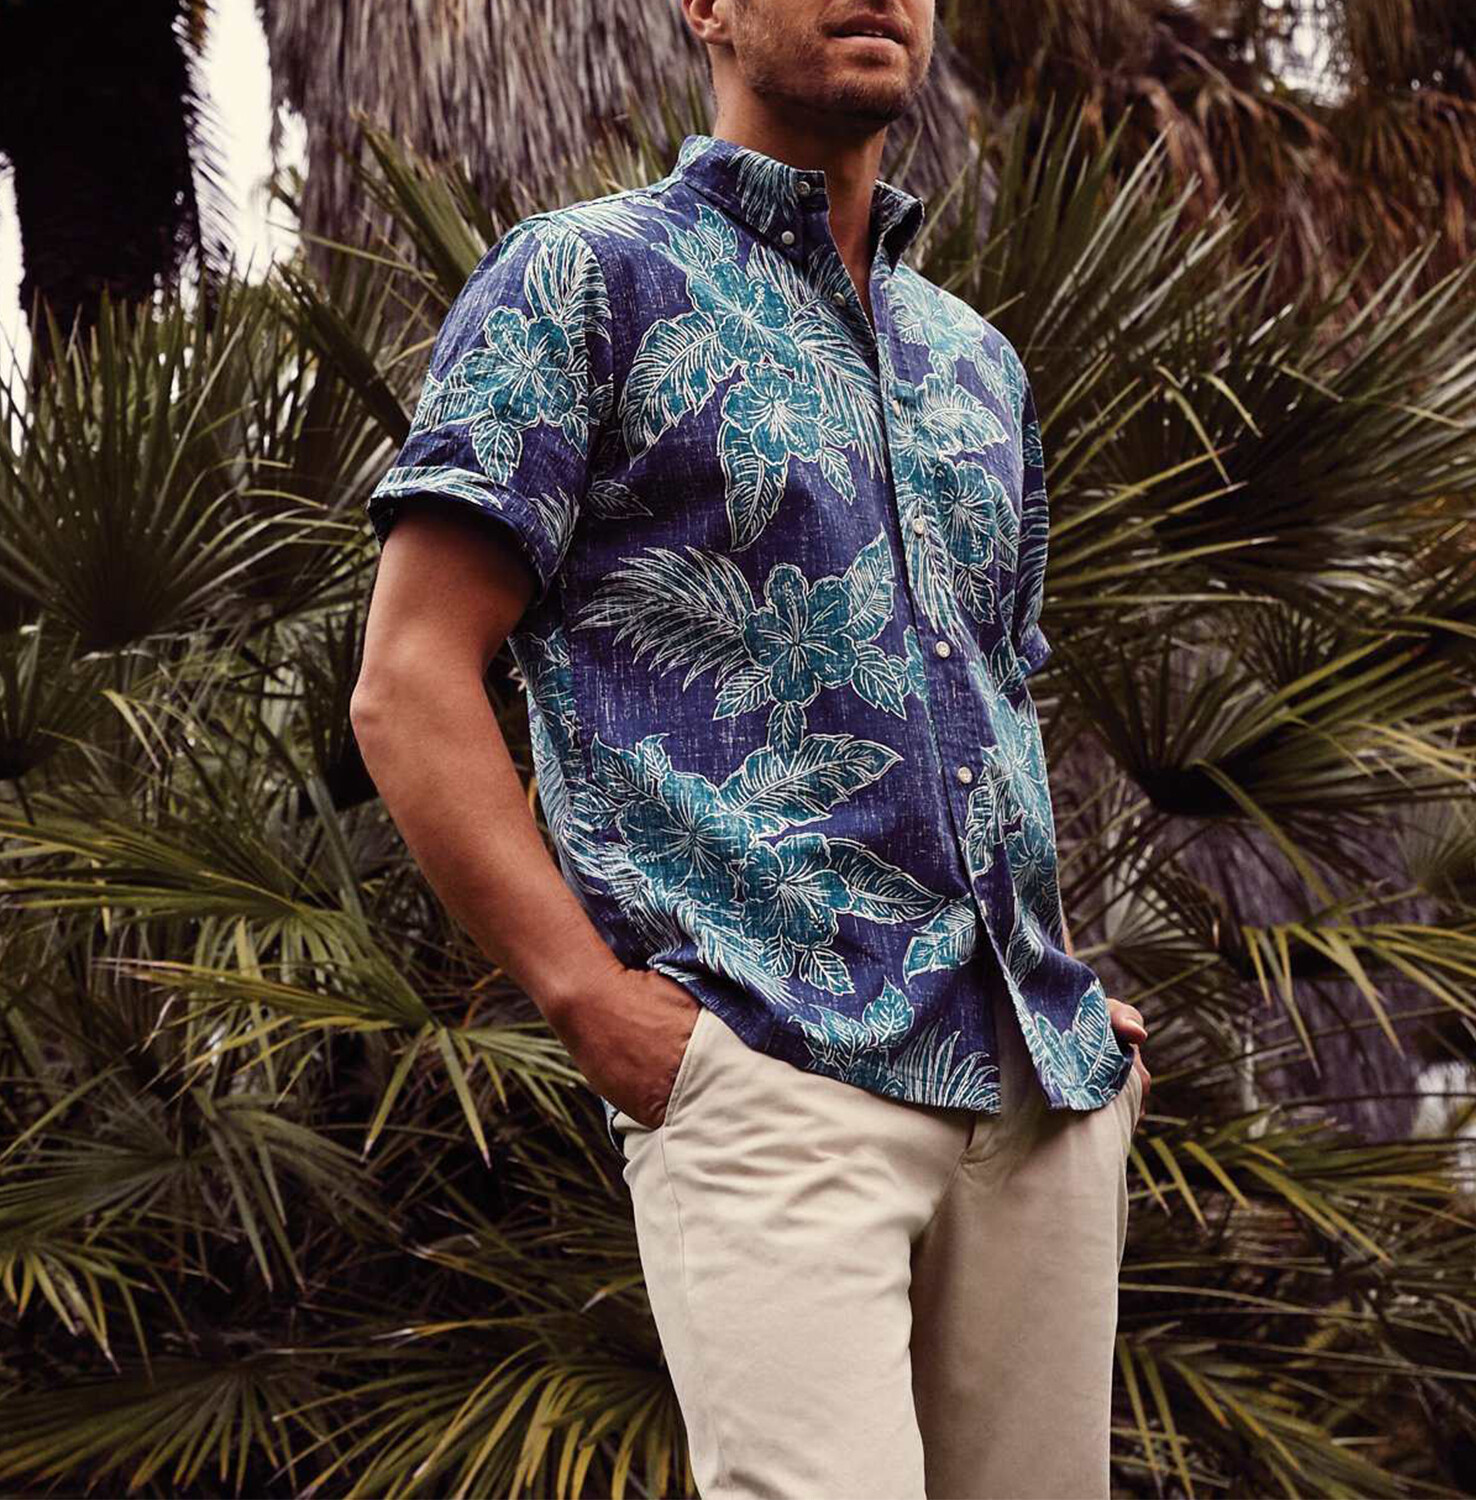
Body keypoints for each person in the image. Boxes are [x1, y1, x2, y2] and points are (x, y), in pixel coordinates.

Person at [350, 1, 1151, 1494]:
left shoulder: (974, 360)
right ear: (705, 6)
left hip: (1036, 1096)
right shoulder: (586, 279)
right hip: (770, 1071)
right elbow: (408, 681)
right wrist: (593, 1003)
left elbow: (986, 706)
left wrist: (1056, 987)